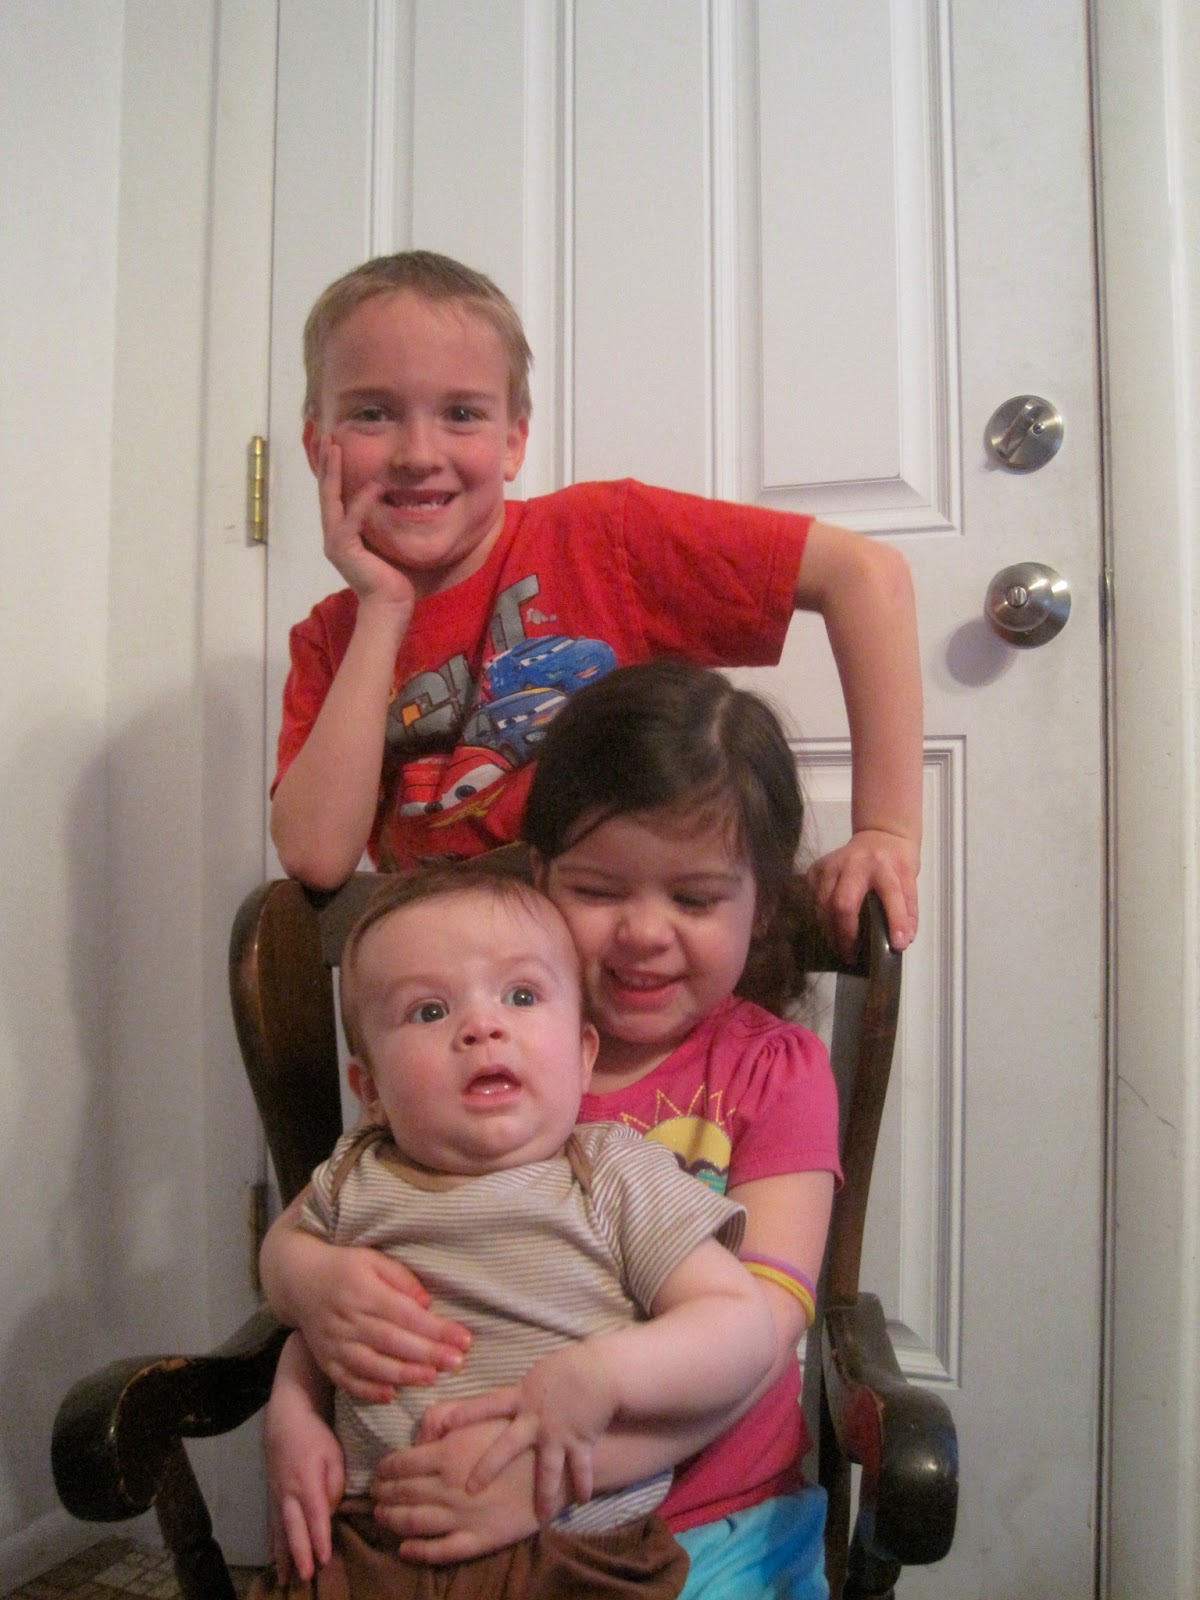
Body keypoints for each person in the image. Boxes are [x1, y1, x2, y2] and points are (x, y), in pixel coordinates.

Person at [263, 661, 843, 1600]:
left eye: (694, 899)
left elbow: (758, 1337)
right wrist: (302, 1350)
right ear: (542, 880)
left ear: (763, 904)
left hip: (712, 1511)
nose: (644, 931)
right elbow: (318, 1248)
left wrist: (544, 1479)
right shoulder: (469, 1084)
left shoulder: (769, 1073)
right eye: (600, 891)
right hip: (424, 1524)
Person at [269, 249, 922, 956]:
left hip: (641, 974)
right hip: (467, 992)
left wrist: (885, 830)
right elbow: (315, 856)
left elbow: (866, 575)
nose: (418, 453)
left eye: (461, 413)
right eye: (373, 414)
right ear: (317, 446)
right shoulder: (332, 639)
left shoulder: (601, 537)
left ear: (513, 440)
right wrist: (383, 610)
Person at [253, 861, 778, 1598]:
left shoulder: (612, 1174)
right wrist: (296, 1407)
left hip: (572, 1549)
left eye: (522, 996)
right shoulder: (354, 1175)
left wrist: (604, 1375)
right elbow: (321, 1320)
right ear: (370, 1091)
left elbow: (743, 1324)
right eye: (429, 1011)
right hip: (372, 1544)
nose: (482, 1026)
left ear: (584, 1057)